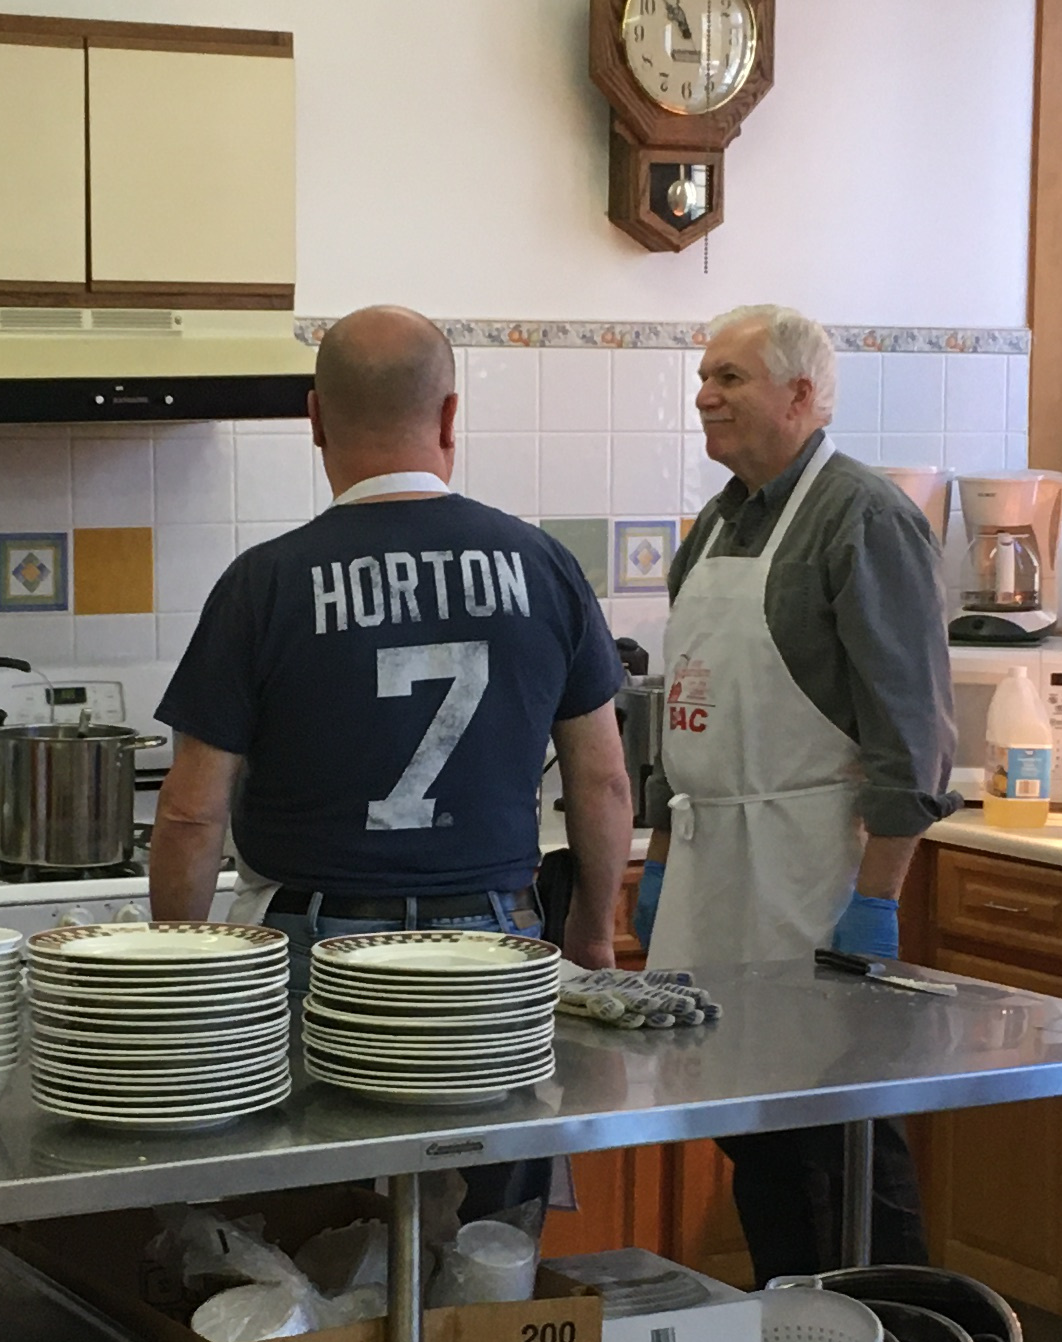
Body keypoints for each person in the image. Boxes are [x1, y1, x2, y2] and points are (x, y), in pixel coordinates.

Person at [154, 306, 634, 1006]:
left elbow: (191, 813)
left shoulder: (265, 583)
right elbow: (604, 782)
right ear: (449, 416)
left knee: (309, 1120)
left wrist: (177, 964)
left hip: (309, 944)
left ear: (314, 420)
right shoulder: (543, 567)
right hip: (498, 943)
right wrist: (591, 933)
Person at [639, 303, 958, 1283]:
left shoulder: (862, 519)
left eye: (729, 377)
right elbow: (681, 712)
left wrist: (874, 901)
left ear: (802, 395)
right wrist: (659, 859)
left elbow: (912, 738)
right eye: (704, 376)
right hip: (711, 874)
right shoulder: (718, 524)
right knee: (749, 1130)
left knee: (841, 1141)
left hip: (809, 877)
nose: (706, 394)